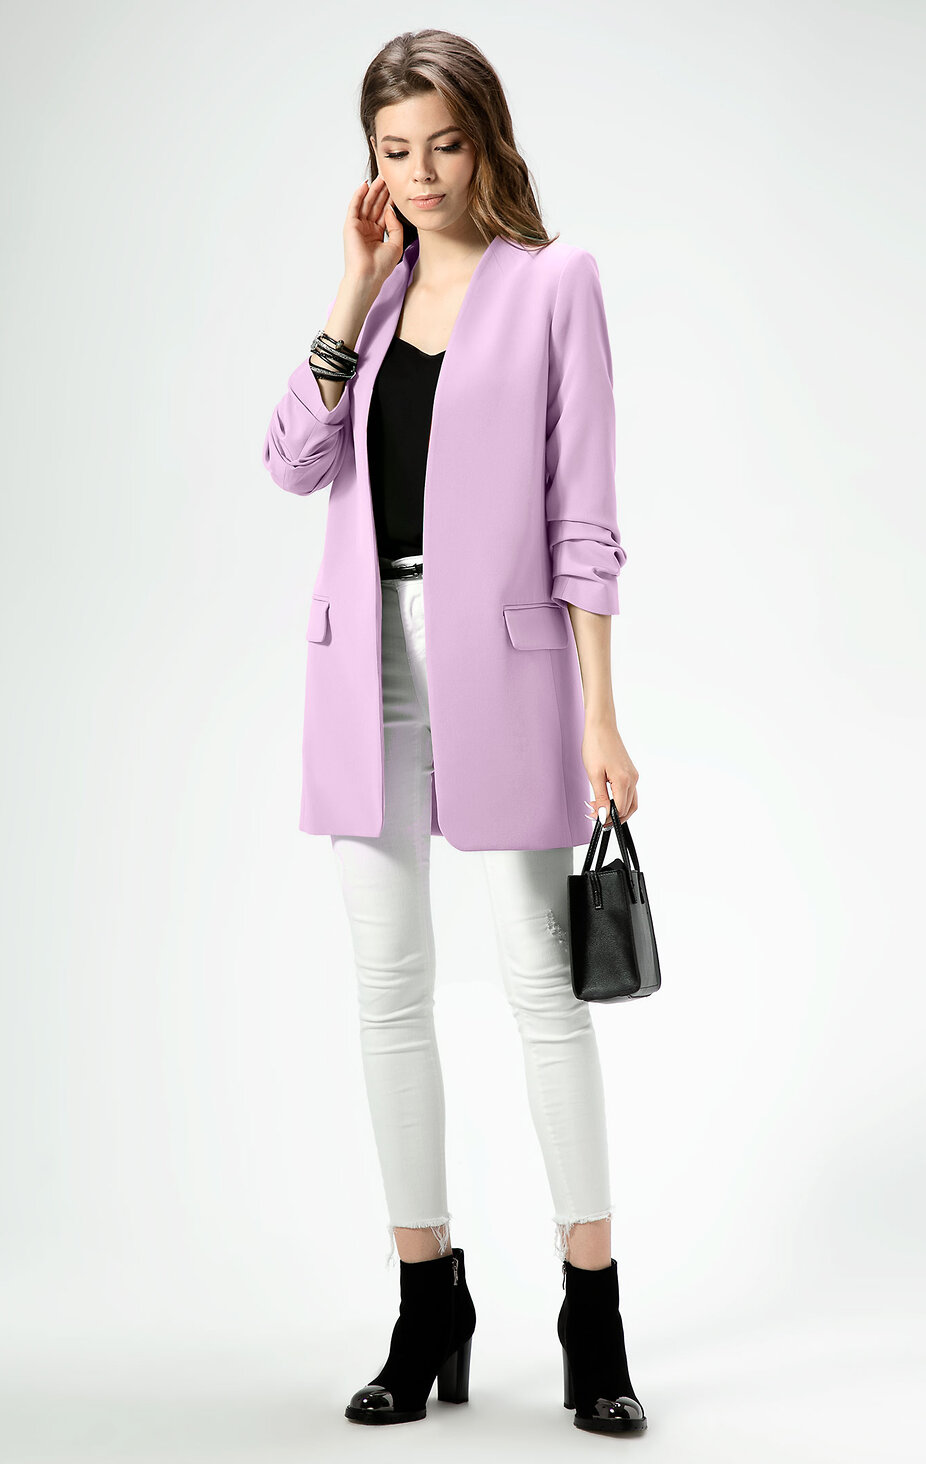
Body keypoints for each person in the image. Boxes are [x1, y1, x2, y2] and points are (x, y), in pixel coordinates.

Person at [262, 29, 647, 1436]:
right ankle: (428, 1301)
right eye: (394, 151)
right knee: (388, 990)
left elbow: (584, 515)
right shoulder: (368, 307)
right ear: (370, 164)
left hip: (510, 664)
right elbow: (289, 462)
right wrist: (349, 287)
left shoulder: (555, 283)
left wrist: (602, 713)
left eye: (443, 143)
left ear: (486, 139)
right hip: (363, 661)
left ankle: (593, 1315)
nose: (421, 173)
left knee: (542, 988)